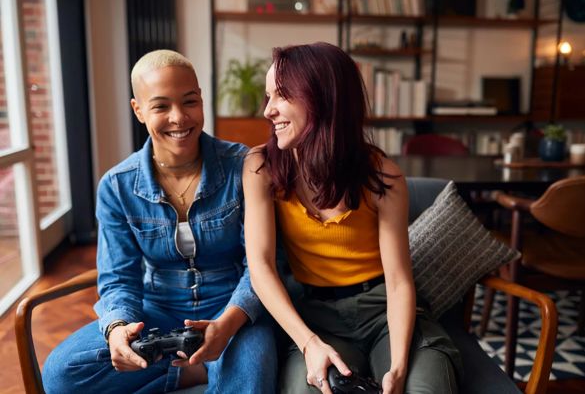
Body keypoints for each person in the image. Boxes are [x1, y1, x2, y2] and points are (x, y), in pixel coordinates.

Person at [43, 49, 277, 394]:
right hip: (156, 312)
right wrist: (118, 328)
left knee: (252, 372)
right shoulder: (116, 186)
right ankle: (192, 374)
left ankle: (204, 368)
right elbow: (119, 277)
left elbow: (261, 266)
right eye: (161, 106)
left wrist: (227, 324)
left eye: (190, 101)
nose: (179, 118)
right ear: (138, 110)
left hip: (233, 311)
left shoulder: (243, 166)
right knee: (62, 373)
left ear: (201, 100)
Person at [243, 42, 461, 394]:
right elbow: (261, 268)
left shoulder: (383, 177)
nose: (268, 111)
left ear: (322, 98)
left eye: (281, 96)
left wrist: (400, 366)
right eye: (268, 97)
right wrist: (309, 343)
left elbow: (399, 282)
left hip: (383, 313)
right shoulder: (261, 168)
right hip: (315, 318)